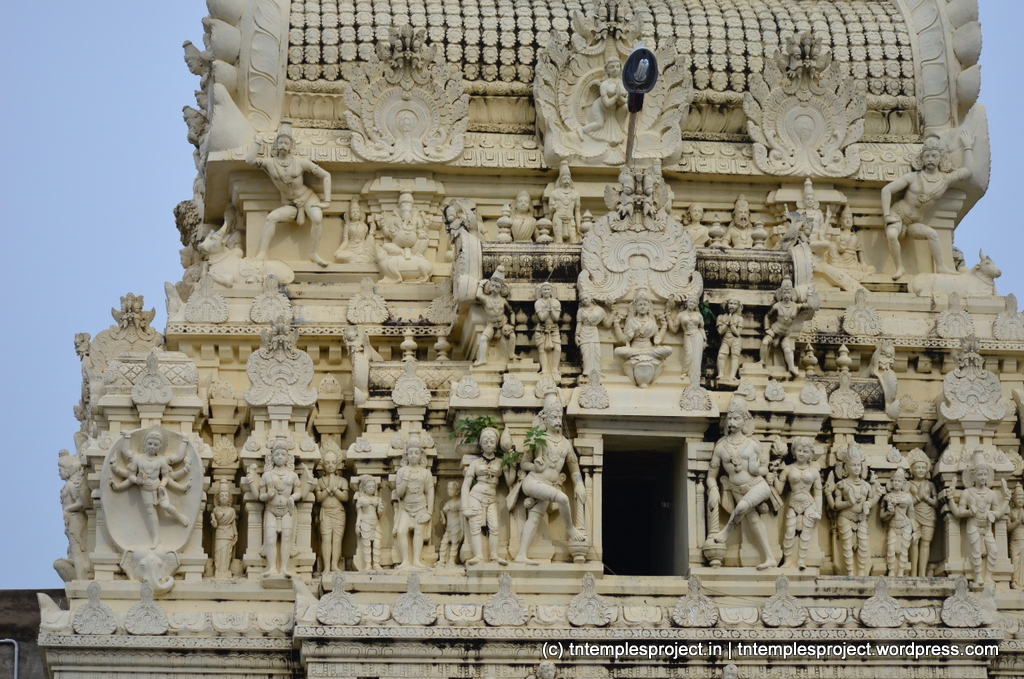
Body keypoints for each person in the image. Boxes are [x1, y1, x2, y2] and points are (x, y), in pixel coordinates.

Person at [881, 131, 974, 279]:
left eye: (934, 156)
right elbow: (886, 190)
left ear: (940, 158)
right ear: (922, 159)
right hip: (897, 214)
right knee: (892, 235)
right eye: (927, 156)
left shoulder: (945, 180)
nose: (930, 159)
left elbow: (968, 171)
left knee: (932, 234)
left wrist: (968, 146)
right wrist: (887, 215)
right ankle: (899, 268)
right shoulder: (913, 177)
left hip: (914, 222)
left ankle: (941, 266)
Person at [510, 398, 587, 564]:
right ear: (545, 420)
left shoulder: (566, 444)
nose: (557, 421)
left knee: (534, 519)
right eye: (553, 417)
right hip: (534, 481)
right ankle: (570, 528)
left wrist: (579, 483)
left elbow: (574, 469)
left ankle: (521, 554)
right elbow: (524, 464)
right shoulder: (538, 439)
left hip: (548, 485)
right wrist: (535, 466)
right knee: (563, 498)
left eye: (559, 417)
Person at [246, 120, 332, 265]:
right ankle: (262, 253)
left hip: (308, 198)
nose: (283, 145)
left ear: (291, 146)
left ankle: (314, 253)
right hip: (290, 204)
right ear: (276, 145)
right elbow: (249, 160)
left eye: (286, 143)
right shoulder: (270, 163)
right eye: (280, 142)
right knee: (271, 218)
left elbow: (326, 175)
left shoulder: (300, 162)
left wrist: (327, 201)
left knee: (317, 218)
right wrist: (257, 141)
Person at [707, 399, 778, 569]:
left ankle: (727, 530)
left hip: (758, 485)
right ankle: (770, 558)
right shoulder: (720, 447)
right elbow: (711, 476)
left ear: (744, 421)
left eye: (736, 418)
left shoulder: (753, 444)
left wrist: (756, 469)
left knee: (741, 508)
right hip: (737, 489)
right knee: (753, 520)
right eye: (730, 418)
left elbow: (765, 469)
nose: (732, 422)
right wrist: (714, 489)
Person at [109, 427, 192, 548]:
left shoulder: (162, 460)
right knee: (151, 513)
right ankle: (156, 538)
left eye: (156, 444)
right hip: (145, 490)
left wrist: (184, 439)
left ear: (160, 447)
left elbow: (168, 472)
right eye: (150, 443)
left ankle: (180, 517)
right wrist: (127, 437)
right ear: (145, 444)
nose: (152, 446)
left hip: (158, 488)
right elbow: (128, 465)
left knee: (166, 506)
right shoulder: (138, 459)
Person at [245, 439, 313, 578]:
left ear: (288, 457)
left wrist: (292, 497)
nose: (280, 457)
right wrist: (268, 495)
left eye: (283, 454)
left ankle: (284, 568)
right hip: (271, 509)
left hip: (288, 510)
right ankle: (272, 567)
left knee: (286, 538)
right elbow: (260, 496)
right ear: (272, 457)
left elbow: (299, 492)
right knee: (271, 539)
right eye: (277, 454)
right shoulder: (267, 475)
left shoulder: (292, 475)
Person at [462, 427, 516, 565]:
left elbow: (510, 481)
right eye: (485, 441)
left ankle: (494, 556)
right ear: (481, 444)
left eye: (492, 441)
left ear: (496, 444)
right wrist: (465, 508)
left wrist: (513, 463)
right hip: (476, 496)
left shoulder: (500, 462)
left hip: (491, 498)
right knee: (475, 526)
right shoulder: (475, 463)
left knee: (495, 527)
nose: (488, 444)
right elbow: (466, 484)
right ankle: (478, 556)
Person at [771, 437, 821, 570]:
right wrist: (773, 475)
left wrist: (819, 511)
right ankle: (788, 561)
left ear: (810, 454)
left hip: (809, 503)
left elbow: (818, 494)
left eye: (805, 451)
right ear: (794, 452)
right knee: (790, 532)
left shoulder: (814, 471)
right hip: (793, 503)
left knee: (805, 533)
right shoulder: (788, 469)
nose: (801, 454)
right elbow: (779, 490)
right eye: (799, 450)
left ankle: (801, 561)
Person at [393, 438, 435, 569]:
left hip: (421, 506)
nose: (413, 455)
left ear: (421, 455)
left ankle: (416, 560)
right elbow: (400, 493)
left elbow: (430, 492)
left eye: (416, 453)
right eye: (410, 453)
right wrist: (405, 478)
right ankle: (405, 560)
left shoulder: (425, 473)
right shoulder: (401, 472)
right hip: (405, 507)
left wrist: (429, 513)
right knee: (401, 532)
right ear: (406, 455)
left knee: (418, 532)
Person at [315, 449, 349, 573]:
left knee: (337, 540)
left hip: (338, 512)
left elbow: (345, 497)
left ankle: (334, 564)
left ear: (337, 464)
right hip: (325, 513)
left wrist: (334, 489)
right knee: (326, 539)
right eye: (327, 462)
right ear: (323, 465)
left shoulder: (342, 481)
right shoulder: (320, 481)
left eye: (333, 462)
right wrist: (329, 489)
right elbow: (319, 498)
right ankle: (326, 567)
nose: (330, 465)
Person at [581, 58, 628, 144]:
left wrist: (620, 98)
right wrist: (616, 97)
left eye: (617, 66)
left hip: (613, 109)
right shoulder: (604, 84)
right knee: (599, 124)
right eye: (611, 67)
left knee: (626, 107)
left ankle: (622, 127)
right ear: (607, 70)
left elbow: (627, 101)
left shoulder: (624, 83)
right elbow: (606, 103)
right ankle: (582, 130)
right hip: (600, 107)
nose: (615, 69)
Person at [668, 295, 706, 386]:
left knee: (697, 357)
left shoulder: (698, 315)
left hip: (698, 336)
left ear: (696, 305)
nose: (692, 304)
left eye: (694, 302)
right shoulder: (681, 315)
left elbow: (701, 328)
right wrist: (668, 318)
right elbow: (674, 329)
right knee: (689, 354)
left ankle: (695, 376)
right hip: (688, 335)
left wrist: (705, 339)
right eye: (690, 302)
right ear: (686, 303)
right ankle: (685, 372)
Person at [534, 282, 563, 377]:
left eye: (548, 289)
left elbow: (556, 318)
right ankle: (544, 369)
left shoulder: (556, 302)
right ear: (541, 291)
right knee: (542, 350)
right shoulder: (538, 303)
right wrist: (548, 309)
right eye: (544, 289)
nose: (546, 291)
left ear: (551, 291)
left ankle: (555, 369)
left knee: (558, 349)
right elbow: (542, 318)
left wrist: (551, 310)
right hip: (541, 329)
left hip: (554, 328)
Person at [716, 298, 744, 384]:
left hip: (735, 340)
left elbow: (737, 333)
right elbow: (720, 331)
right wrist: (726, 323)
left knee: (735, 356)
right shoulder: (720, 317)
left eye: (735, 304)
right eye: (730, 303)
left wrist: (731, 323)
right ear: (727, 305)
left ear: (738, 306)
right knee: (721, 355)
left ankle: (732, 375)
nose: (732, 306)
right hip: (725, 339)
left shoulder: (739, 318)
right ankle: (721, 374)